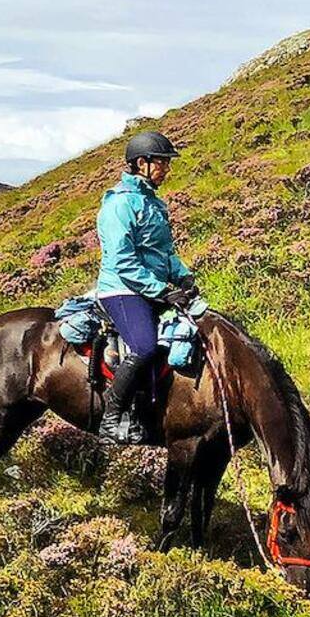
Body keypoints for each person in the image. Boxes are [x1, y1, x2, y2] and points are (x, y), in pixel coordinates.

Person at [95, 130, 199, 443]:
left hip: (149, 287)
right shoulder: (120, 205)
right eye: (162, 163)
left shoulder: (153, 203)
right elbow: (124, 262)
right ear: (142, 163)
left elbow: (164, 252)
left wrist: (183, 276)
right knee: (145, 346)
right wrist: (161, 290)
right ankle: (111, 420)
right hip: (122, 289)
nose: (167, 169)